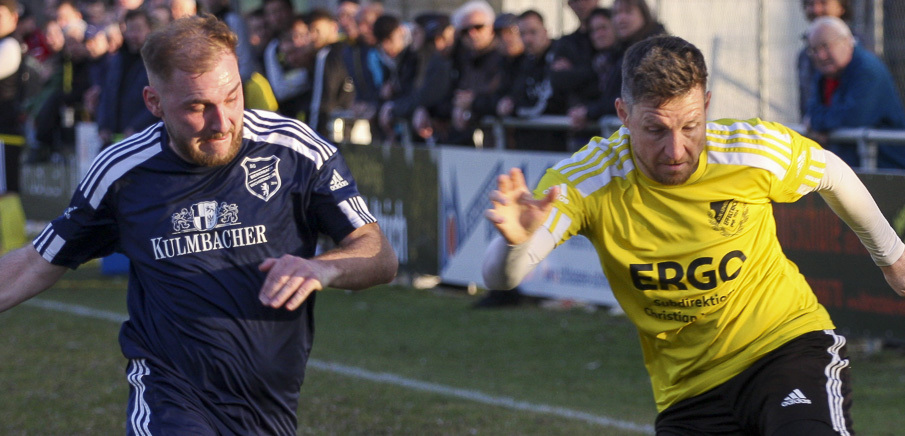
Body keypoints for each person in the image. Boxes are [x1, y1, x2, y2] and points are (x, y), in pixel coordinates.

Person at [482, 35, 905, 434]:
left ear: (706, 104)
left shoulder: (748, 149)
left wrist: (892, 257)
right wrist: (515, 243)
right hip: (688, 389)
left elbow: (832, 172)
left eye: (690, 126)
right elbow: (501, 277)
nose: (676, 150)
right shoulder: (587, 179)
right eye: (655, 130)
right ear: (624, 115)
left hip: (784, 348)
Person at [0, 15, 397, 434]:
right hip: (170, 395)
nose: (222, 122)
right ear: (154, 103)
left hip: (269, 406)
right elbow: (36, 262)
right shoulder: (123, 173)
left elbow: (379, 254)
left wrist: (322, 268)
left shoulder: (295, 152)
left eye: (232, 97)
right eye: (197, 107)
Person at [804, 16, 905, 170]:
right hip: (853, 166)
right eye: (814, 50)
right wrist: (820, 123)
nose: (821, 55)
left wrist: (817, 125)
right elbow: (811, 110)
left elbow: (853, 118)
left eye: (825, 46)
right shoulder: (826, 73)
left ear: (846, 41)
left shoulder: (867, 70)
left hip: (886, 168)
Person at [96, 9, 157, 147]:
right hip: (114, 139)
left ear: (149, 29)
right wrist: (103, 125)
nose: (133, 35)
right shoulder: (117, 59)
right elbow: (107, 94)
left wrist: (137, 127)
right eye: (130, 29)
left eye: (138, 29)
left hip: (144, 138)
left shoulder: (156, 61)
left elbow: (160, 100)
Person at [0, 0, 26, 253]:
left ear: (13, 18)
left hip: (5, 131)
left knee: (7, 189)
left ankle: (13, 247)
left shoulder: (10, 45)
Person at [797, 0, 851, 119]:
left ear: (841, 7)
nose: (816, 9)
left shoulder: (857, 50)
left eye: (823, 3)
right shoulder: (804, 55)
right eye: (810, 4)